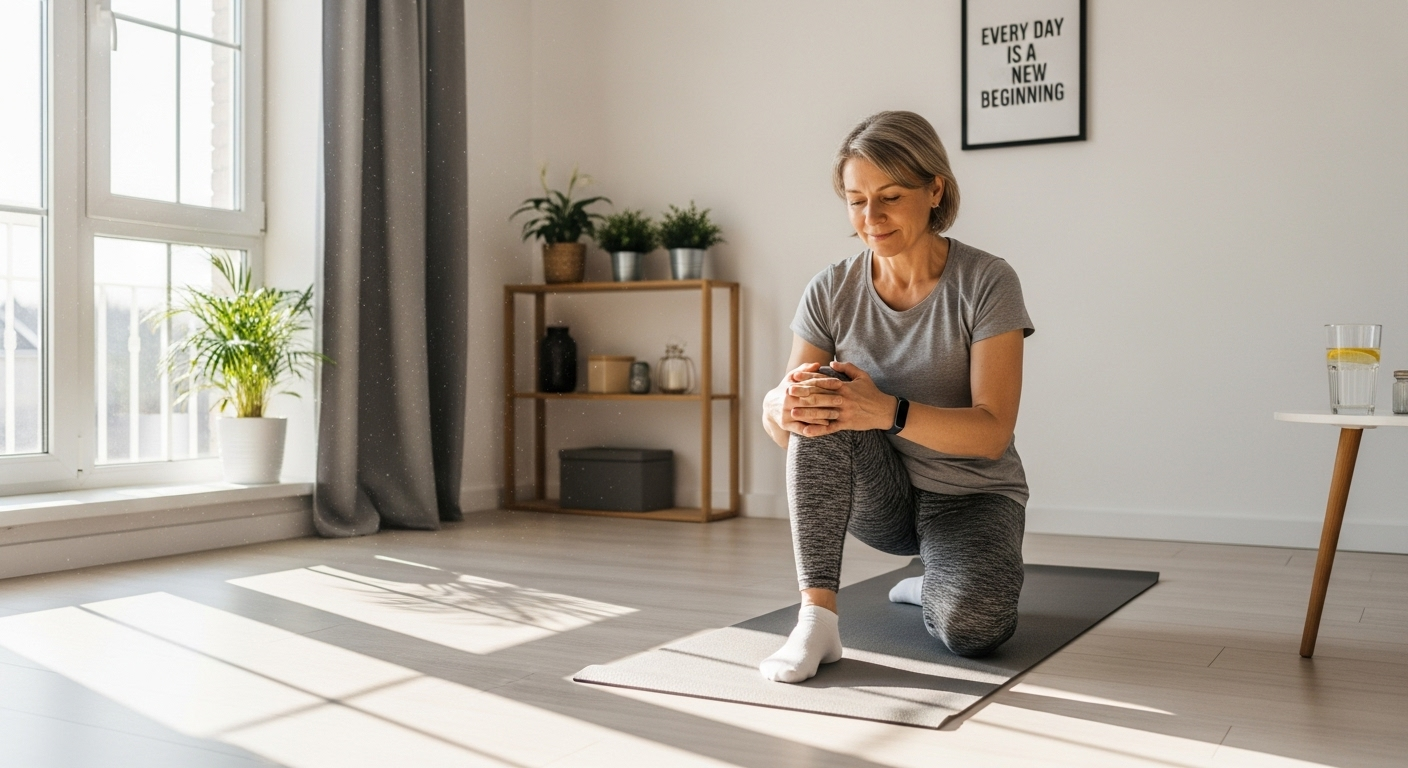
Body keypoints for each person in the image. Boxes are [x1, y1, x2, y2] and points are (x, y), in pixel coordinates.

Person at [758, 110, 1034, 683]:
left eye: (889, 196)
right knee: (820, 391)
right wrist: (774, 407)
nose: (871, 218)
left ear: (935, 189)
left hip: (970, 498)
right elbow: (793, 432)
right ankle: (817, 620)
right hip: (882, 499)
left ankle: (936, 579)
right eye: (856, 200)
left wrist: (885, 409)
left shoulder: (987, 281)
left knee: (973, 631)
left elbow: (992, 434)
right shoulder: (831, 289)